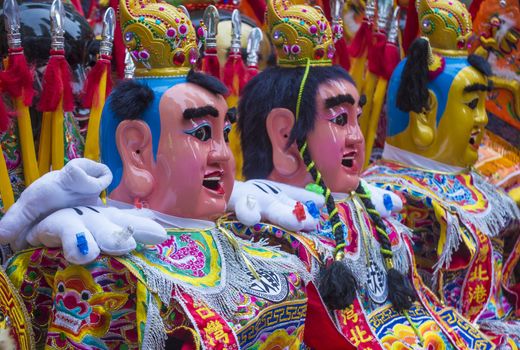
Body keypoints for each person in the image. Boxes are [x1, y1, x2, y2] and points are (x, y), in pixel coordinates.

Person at [1, 0, 322, 348]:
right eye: (202, 134)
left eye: (223, 135)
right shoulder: (105, 274)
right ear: (136, 151)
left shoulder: (267, 251)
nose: (223, 155)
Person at [237, 0, 495, 348]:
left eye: (358, 118)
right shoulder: (265, 238)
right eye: (340, 120)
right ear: (286, 137)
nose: (358, 137)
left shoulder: (372, 212)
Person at [362, 0, 520, 346]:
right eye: (472, 104)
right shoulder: (387, 199)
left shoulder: (482, 186)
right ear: (423, 115)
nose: (482, 120)